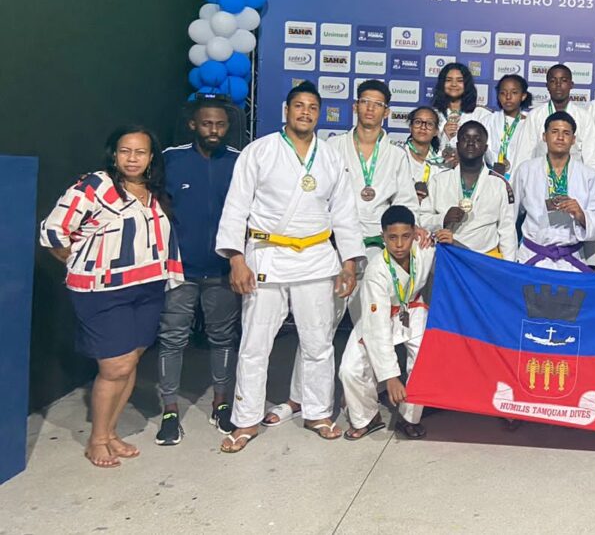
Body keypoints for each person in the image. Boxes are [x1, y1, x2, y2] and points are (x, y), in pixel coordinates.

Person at [215, 81, 365, 452]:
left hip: (316, 257)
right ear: (286, 110)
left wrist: (348, 262)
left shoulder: (329, 156)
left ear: (319, 114)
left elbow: (344, 212)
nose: (305, 113)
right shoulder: (260, 151)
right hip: (267, 254)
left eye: (312, 107)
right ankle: (246, 419)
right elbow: (236, 206)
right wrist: (236, 258)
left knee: (318, 342)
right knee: (255, 343)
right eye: (299, 106)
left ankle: (317, 412)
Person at [266, 80, 419, 428]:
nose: (370, 108)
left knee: (372, 329)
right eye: (365, 101)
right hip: (335, 249)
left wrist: (409, 233)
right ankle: (298, 397)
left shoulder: (397, 155)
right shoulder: (331, 147)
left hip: (378, 253)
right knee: (317, 327)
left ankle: (361, 398)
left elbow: (406, 204)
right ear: (355, 106)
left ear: (387, 112)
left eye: (377, 104)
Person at [40, 125, 184, 467]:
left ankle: (111, 433)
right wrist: (79, 261)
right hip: (103, 292)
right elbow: (53, 230)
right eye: (125, 151)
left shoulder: (153, 191)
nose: (132, 158)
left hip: (148, 288)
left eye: (140, 152)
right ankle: (98, 439)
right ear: (114, 154)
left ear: (151, 157)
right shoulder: (96, 186)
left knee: (130, 361)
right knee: (114, 366)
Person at [156, 98, 241, 445]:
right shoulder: (171, 159)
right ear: (193, 125)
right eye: (207, 124)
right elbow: (155, 202)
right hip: (180, 270)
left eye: (220, 124)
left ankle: (221, 404)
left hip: (222, 269)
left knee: (223, 337)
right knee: (172, 339)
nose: (214, 130)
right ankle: (169, 411)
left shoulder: (238, 161)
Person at [340, 205, 436, 440]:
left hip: (412, 310)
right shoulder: (376, 271)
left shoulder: (424, 248)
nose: (399, 244)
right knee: (350, 369)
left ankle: (408, 417)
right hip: (379, 317)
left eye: (405, 236)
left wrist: (442, 236)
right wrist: (390, 376)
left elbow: (441, 240)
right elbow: (378, 328)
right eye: (392, 238)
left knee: (424, 361)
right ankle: (367, 416)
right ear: (383, 236)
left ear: (414, 233)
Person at [511, 111, 595, 271]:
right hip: (531, 257)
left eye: (566, 133)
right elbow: (510, 216)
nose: (560, 137)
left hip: (571, 260)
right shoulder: (526, 170)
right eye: (554, 132)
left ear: (573, 139)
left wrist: (581, 215)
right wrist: (510, 258)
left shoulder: (588, 176)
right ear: (544, 136)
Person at [425, 120, 517, 260]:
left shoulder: (499, 184)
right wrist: (443, 218)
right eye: (465, 139)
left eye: (477, 139)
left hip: (485, 260)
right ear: (457, 146)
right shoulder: (439, 181)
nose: (471, 143)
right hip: (449, 257)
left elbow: (507, 231)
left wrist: (509, 267)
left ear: (485, 148)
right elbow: (422, 219)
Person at [511, 64, 595, 171]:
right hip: (540, 174)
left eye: (563, 80)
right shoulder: (535, 116)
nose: (558, 85)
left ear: (571, 85)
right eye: (553, 81)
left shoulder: (584, 117)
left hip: (574, 176)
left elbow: (591, 159)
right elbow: (524, 154)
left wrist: (593, 180)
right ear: (547, 85)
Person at [432, 62, 490, 167]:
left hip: (472, 171)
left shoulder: (481, 114)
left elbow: (489, 150)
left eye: (459, 81)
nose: (454, 84)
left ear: (466, 84)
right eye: (448, 80)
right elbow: (429, 153)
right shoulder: (433, 115)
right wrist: (443, 135)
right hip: (440, 171)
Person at [400, 105, 449, 229]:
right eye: (418, 122)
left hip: (431, 227)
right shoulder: (396, 156)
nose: (423, 127)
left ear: (436, 131)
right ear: (410, 127)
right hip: (400, 223)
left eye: (429, 124)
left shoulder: (442, 164)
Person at [484, 74, 532, 178]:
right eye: (503, 93)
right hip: (492, 178)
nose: (508, 97)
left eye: (514, 92)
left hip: (522, 178)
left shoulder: (531, 123)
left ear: (523, 96)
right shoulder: (488, 121)